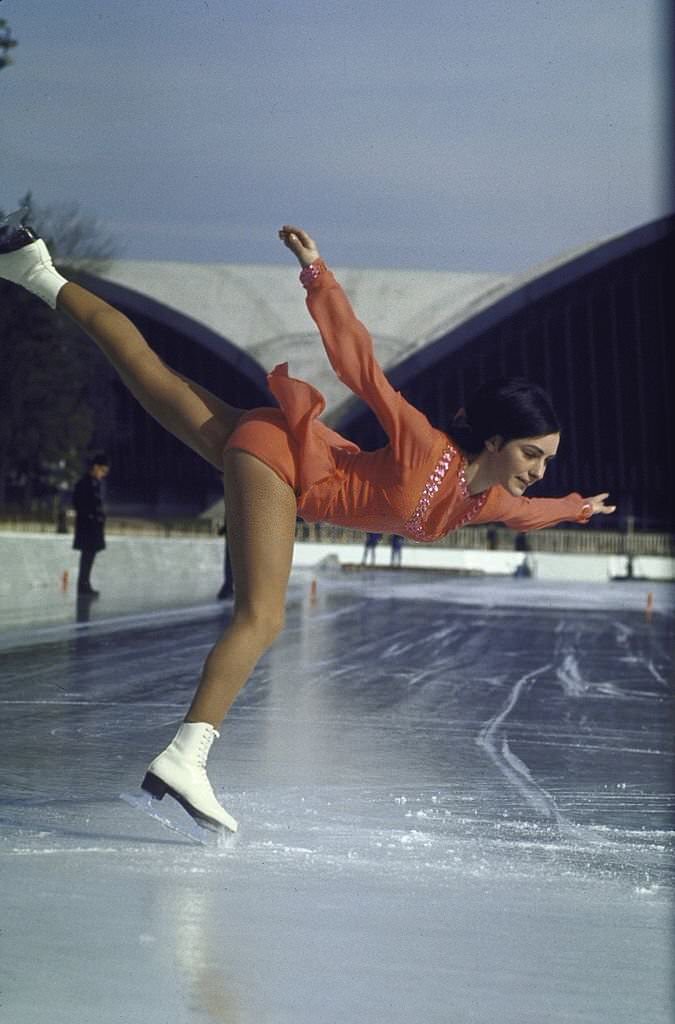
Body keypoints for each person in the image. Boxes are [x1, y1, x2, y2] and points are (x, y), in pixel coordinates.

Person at [0, 217, 616, 835]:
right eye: (533, 455)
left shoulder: (482, 503)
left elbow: (536, 513)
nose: (539, 472)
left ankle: (35, 272)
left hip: (271, 446)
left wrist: (578, 507)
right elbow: (360, 365)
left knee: (148, 369)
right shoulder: (427, 448)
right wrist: (316, 274)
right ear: (494, 440)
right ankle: (186, 757)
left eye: (547, 462)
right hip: (280, 461)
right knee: (262, 616)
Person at [72, 453, 110, 596]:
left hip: (94, 527)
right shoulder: (84, 484)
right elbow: (79, 504)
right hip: (88, 527)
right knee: (87, 556)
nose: (103, 474)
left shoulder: (95, 484)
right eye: (103, 470)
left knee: (90, 556)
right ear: (95, 467)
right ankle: (83, 584)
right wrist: (91, 516)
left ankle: (85, 583)